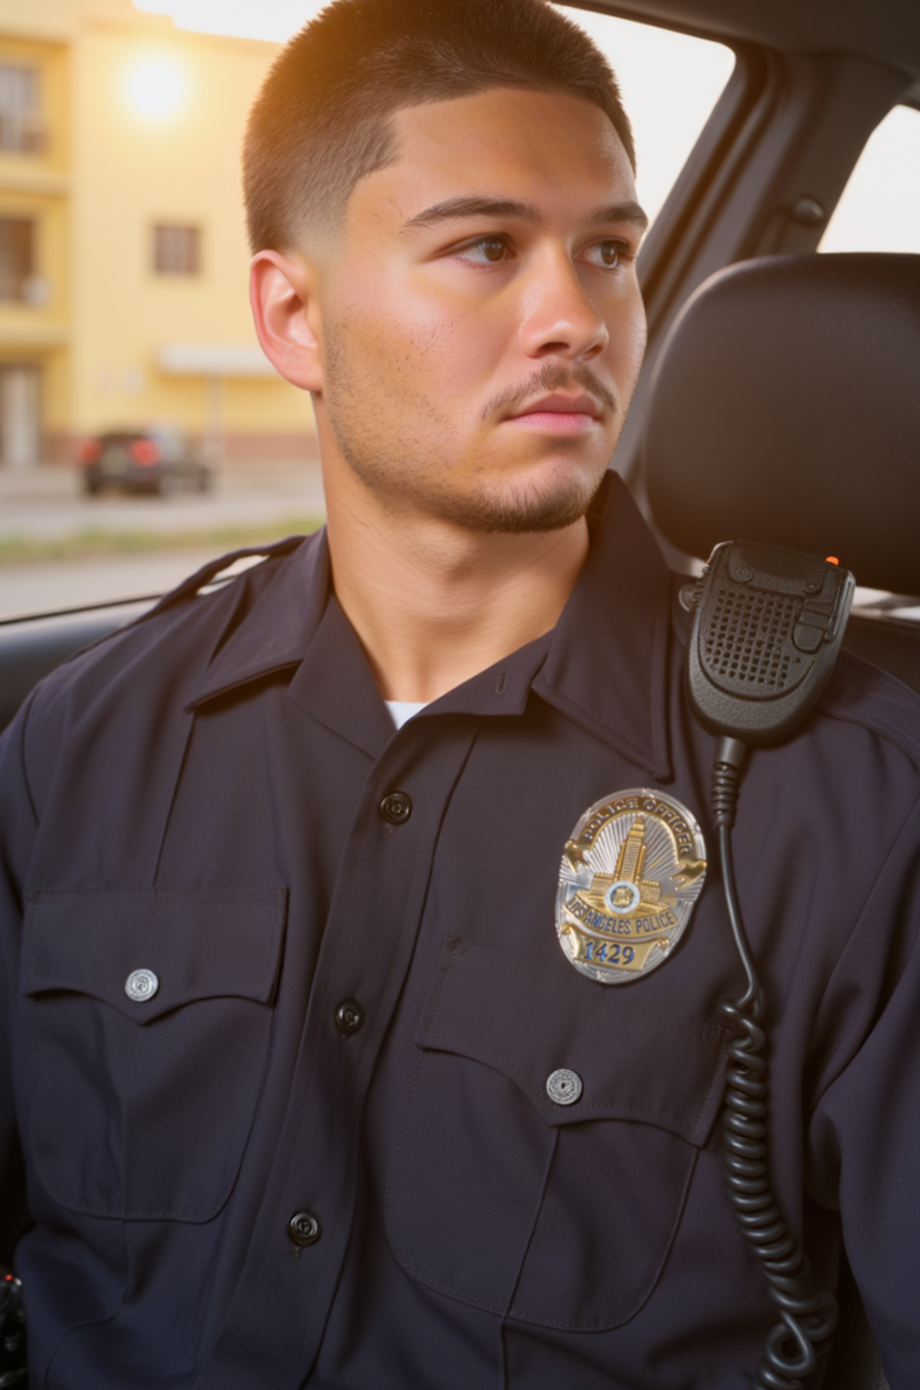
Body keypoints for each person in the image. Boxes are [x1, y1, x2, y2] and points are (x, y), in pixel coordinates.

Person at [1, 1, 919, 1386]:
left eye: (609, 251)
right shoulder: (84, 743)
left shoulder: (852, 804)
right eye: (487, 247)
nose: (578, 316)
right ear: (294, 316)